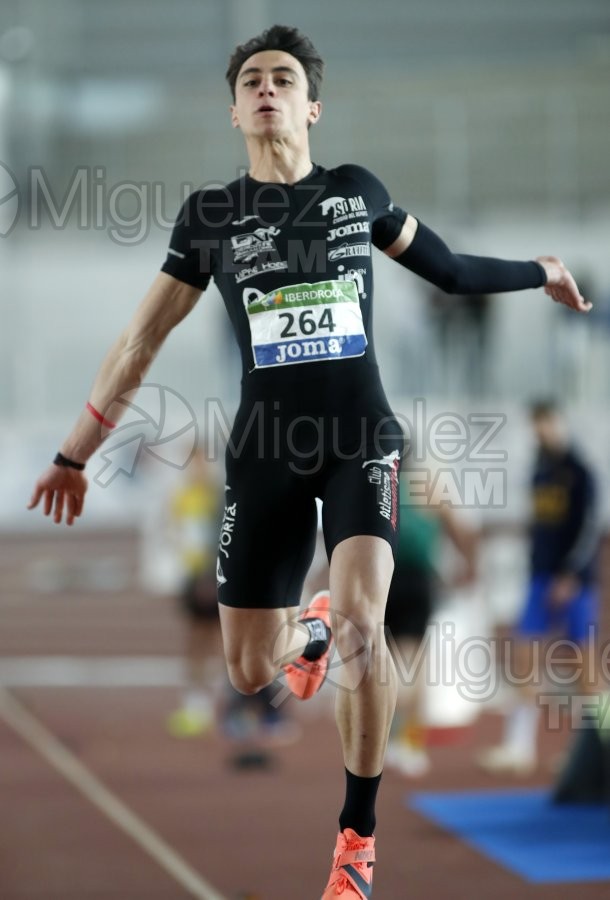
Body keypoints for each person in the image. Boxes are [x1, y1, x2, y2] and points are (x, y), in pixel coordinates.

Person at [27, 25, 591, 898]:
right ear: (233, 109)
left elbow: (444, 268)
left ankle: (356, 842)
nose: (266, 89)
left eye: (282, 78)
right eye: (251, 79)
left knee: (370, 625)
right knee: (250, 670)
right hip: (262, 453)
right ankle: (310, 628)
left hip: (361, 437)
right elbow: (139, 340)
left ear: (311, 104)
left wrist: (538, 270)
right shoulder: (211, 216)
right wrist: (74, 451)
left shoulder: (355, 192)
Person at [478, 400, 601, 775]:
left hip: (574, 581)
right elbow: (539, 526)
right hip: (539, 577)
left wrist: (570, 574)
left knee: (586, 668)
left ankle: (599, 750)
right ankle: (519, 747)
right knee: (525, 658)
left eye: (545, 423)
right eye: (536, 425)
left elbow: (590, 528)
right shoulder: (539, 471)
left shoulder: (580, 472)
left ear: (559, 423)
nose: (540, 431)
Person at [385, 457, 478, 777]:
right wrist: (468, 567)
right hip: (416, 581)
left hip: (384, 579)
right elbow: (460, 529)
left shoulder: (376, 483)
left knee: (387, 662)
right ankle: (408, 742)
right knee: (413, 662)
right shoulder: (429, 486)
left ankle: (393, 739)